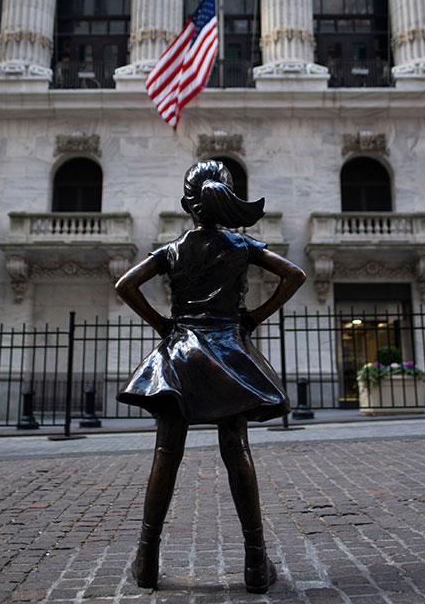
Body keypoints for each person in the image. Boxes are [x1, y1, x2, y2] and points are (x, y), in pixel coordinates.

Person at [114, 160, 306, 593]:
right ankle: (256, 563)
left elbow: (125, 285)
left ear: (188, 204)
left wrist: (163, 325)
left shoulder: (174, 249)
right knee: (236, 450)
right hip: (227, 350)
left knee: (166, 453)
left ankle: (147, 560)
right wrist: (254, 316)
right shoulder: (241, 245)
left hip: (180, 353)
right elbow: (294, 275)